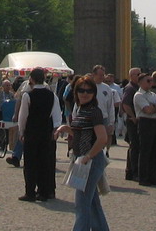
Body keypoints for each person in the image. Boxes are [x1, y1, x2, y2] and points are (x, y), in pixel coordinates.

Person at [56, 75, 109, 231]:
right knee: (92, 202)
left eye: (89, 90)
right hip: (84, 159)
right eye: (81, 90)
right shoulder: (82, 109)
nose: (85, 93)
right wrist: (67, 129)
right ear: (76, 92)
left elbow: (102, 138)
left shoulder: (94, 111)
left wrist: (88, 156)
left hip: (90, 160)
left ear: (94, 93)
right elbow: (84, 132)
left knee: (82, 203)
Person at [17, 68, 61, 202]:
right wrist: (55, 129)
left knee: (30, 162)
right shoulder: (52, 96)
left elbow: (23, 116)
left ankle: (30, 192)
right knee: (44, 162)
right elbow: (56, 115)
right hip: (46, 130)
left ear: (31, 79)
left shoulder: (28, 95)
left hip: (32, 131)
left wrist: (21, 131)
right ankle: (43, 192)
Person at [132, 72, 156, 186]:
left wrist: (153, 107)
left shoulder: (152, 95)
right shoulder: (138, 95)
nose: (151, 83)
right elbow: (147, 110)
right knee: (145, 150)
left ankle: (153, 177)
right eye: (148, 81)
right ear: (140, 82)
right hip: (145, 122)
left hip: (155, 122)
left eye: (151, 80)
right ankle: (143, 177)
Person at [119, 67, 141, 181]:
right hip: (132, 121)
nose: (140, 76)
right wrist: (133, 117)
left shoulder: (137, 88)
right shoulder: (130, 88)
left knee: (135, 145)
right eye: (138, 74)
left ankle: (131, 171)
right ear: (131, 76)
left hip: (134, 120)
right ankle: (132, 172)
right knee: (134, 145)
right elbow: (125, 104)